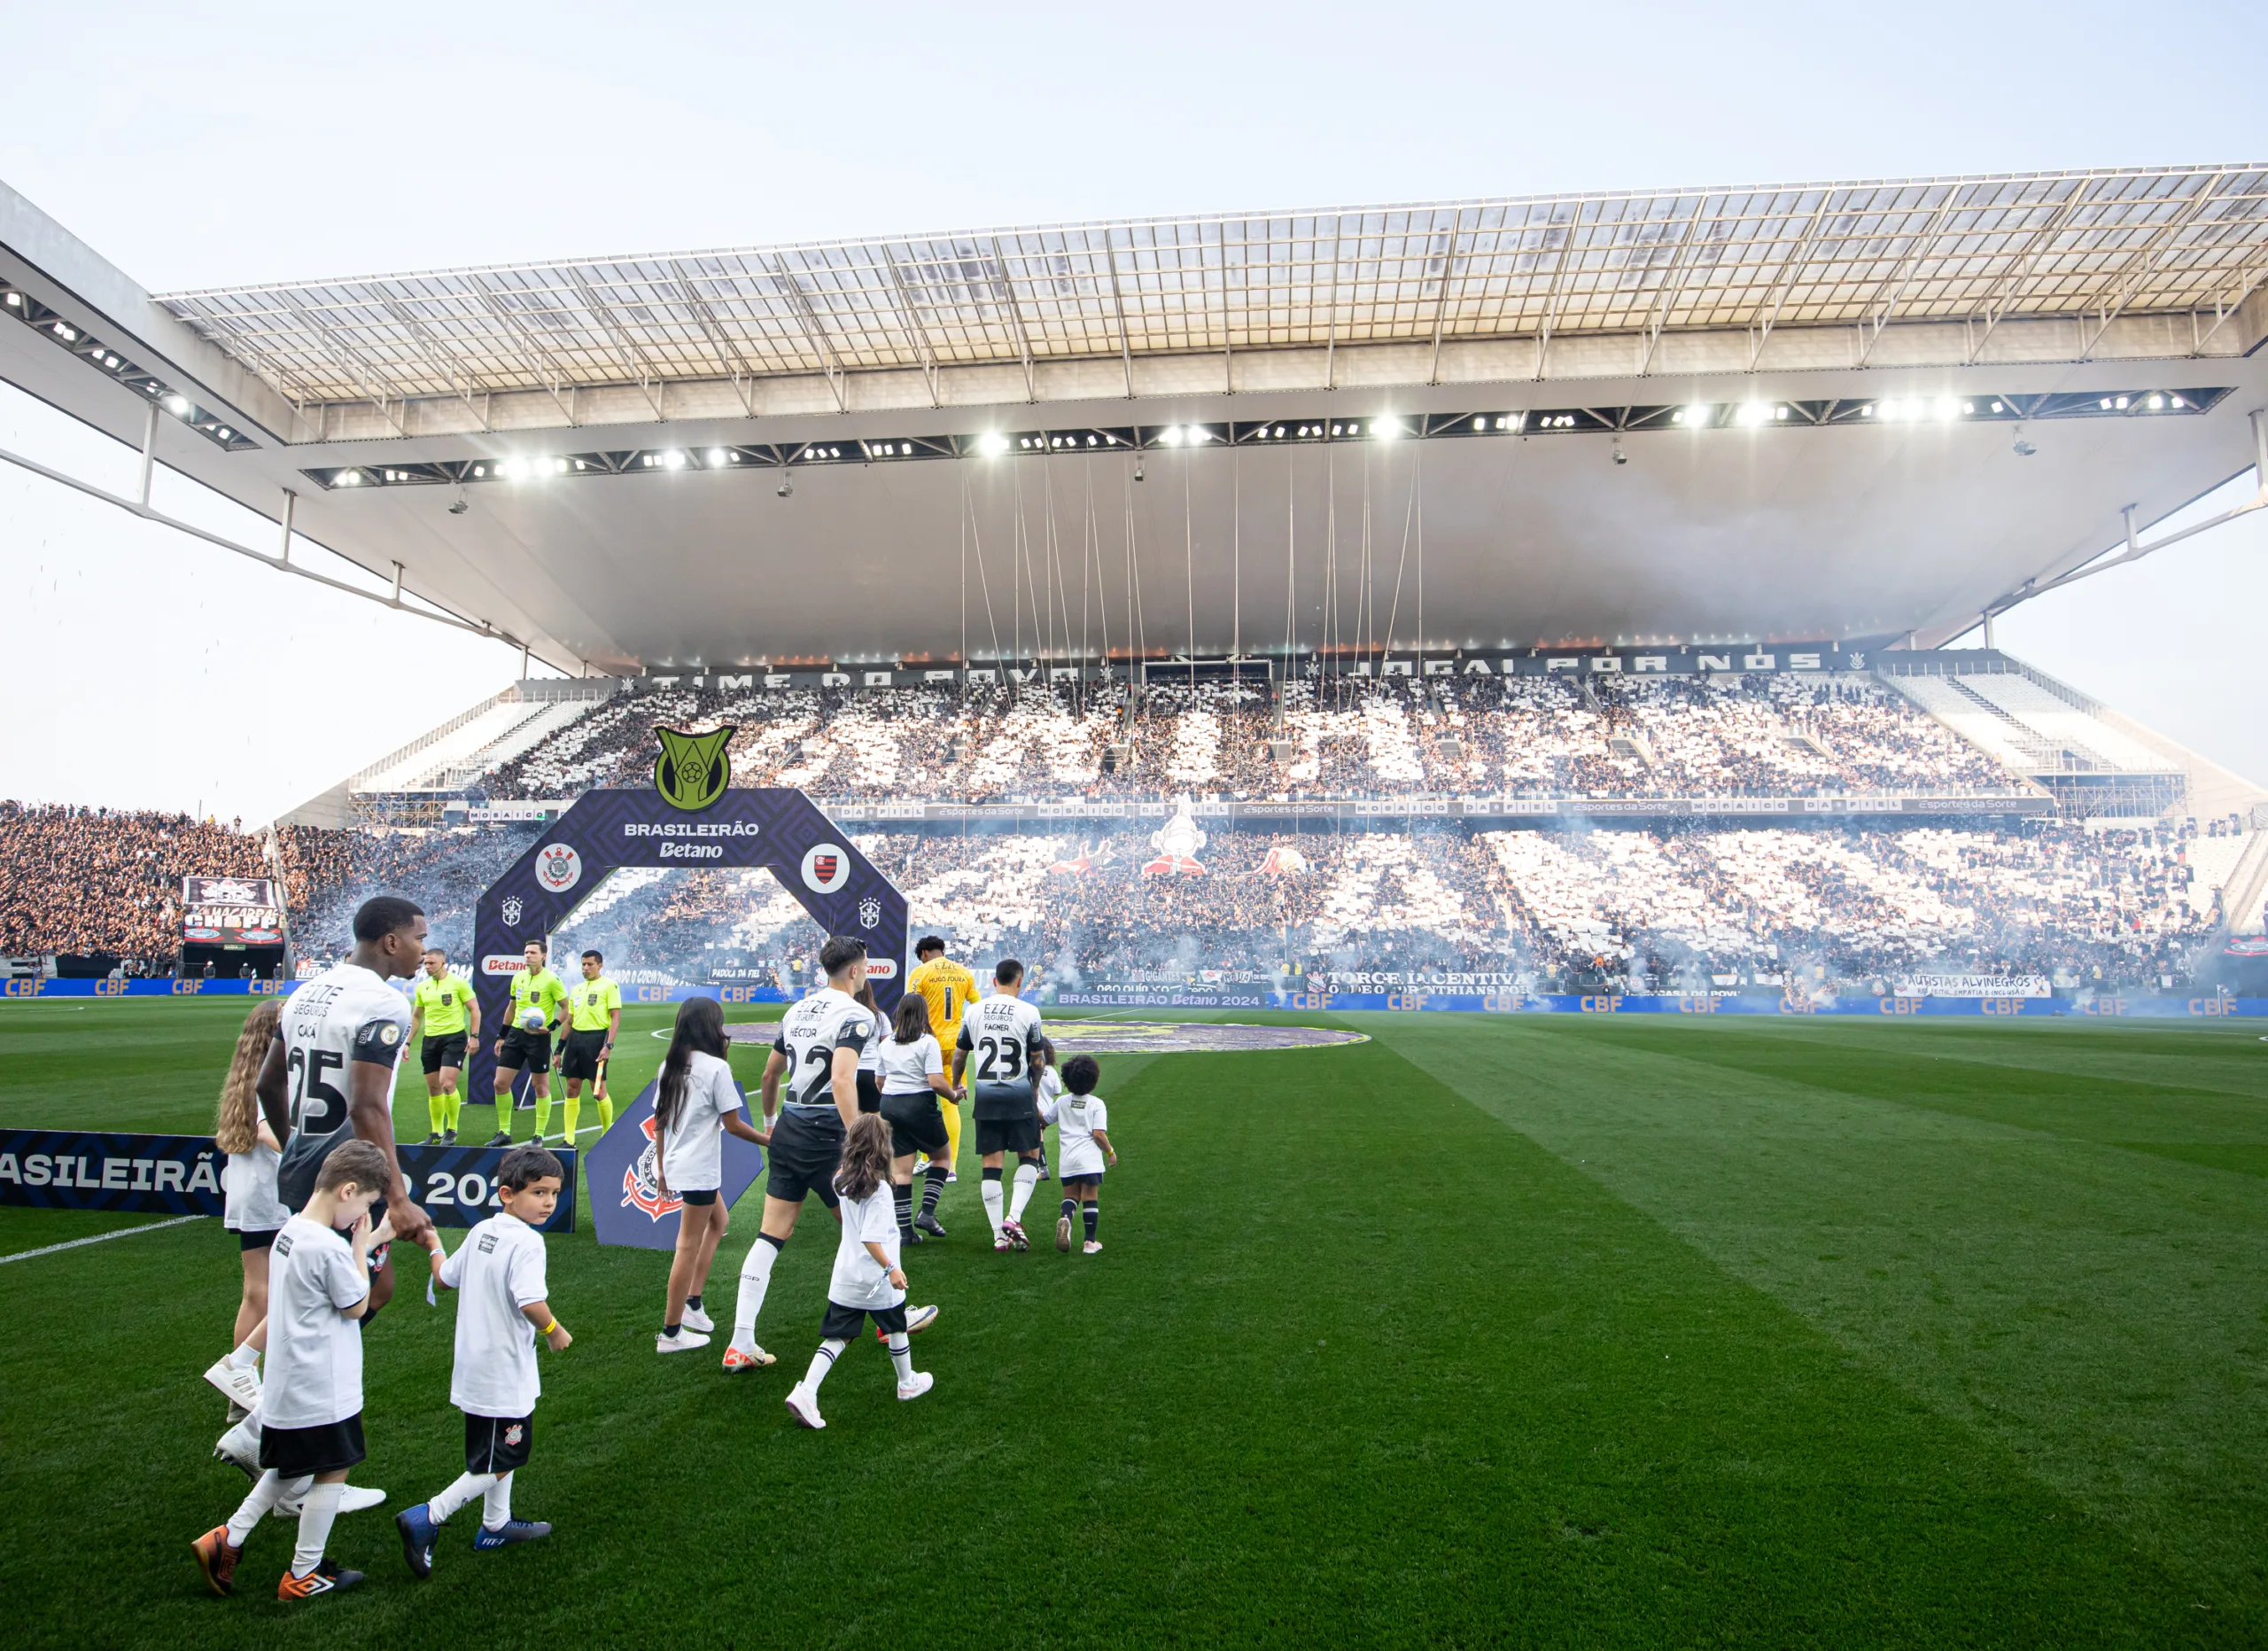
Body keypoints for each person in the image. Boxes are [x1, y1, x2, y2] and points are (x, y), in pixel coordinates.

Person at [191, 1139, 394, 1602]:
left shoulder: (290, 1230)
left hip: (290, 1381)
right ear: (347, 1191)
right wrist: (363, 1244)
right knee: (333, 1468)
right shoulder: (326, 1246)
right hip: (322, 1385)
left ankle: (229, 1537)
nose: (361, 1216)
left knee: (290, 1467)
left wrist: (366, 1239)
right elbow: (355, 1305)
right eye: (364, 1204)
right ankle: (303, 1572)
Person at [726, 937, 935, 1374]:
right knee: (868, 1226)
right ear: (857, 970)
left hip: (790, 1125)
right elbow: (841, 1080)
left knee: (771, 1234)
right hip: (827, 1133)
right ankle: (889, 1320)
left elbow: (770, 1073)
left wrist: (769, 1123)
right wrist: (860, 1134)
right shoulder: (858, 1014)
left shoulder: (797, 1009)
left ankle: (741, 1340)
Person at [394, 1145, 571, 1576]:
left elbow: (444, 1277)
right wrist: (554, 1332)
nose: (549, 1202)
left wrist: (434, 1243)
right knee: (503, 1457)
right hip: (502, 1371)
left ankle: (495, 1525)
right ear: (508, 1194)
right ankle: (428, 1516)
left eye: (554, 1193)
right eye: (539, 1193)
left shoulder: (481, 1231)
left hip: (475, 1368)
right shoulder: (528, 1242)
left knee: (494, 1454)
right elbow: (531, 1302)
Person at [781, 1113, 935, 1430]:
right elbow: (871, 1238)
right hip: (877, 1280)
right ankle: (907, 1383)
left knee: (839, 1336)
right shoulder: (879, 1190)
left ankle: (806, 1390)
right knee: (896, 1326)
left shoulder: (841, 1178)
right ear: (883, 1148)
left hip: (846, 1277)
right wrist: (892, 1268)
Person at [652, 997, 765, 1355]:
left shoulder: (670, 1065)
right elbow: (733, 1125)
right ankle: (671, 1333)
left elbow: (659, 1122)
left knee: (719, 1222)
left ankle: (693, 1304)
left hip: (678, 1163)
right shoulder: (715, 1067)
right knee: (687, 1245)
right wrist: (768, 1140)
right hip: (699, 1168)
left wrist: (661, 1169)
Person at [206, 999, 286, 1413]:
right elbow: (269, 1133)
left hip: (253, 1191)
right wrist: (312, 1154)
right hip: (269, 1194)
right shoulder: (268, 1077)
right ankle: (243, 1375)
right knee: (268, 1291)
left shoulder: (246, 1073)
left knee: (258, 1290)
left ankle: (241, 1388)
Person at [951, 958, 1049, 1252]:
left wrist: (957, 1083)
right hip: (1019, 1094)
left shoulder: (975, 1011)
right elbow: (1037, 1059)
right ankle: (1013, 1217)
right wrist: (1033, 1088)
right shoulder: (1029, 1012)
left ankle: (998, 1235)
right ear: (1019, 982)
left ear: (994, 981)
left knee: (990, 1166)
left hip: (986, 1096)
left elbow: (959, 1055)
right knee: (1029, 1156)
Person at [877, 993, 957, 1246]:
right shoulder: (927, 1042)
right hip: (919, 1103)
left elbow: (879, 1081)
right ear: (924, 1014)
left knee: (901, 1171)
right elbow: (935, 1081)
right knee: (942, 1157)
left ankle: (906, 1233)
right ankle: (927, 1212)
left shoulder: (886, 1043)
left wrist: (895, 1099)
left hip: (890, 1104)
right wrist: (954, 1095)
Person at [905, 936, 975, 1180]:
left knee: (922, 1101)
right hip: (957, 1046)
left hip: (928, 1044)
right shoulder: (964, 972)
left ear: (924, 953)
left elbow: (911, 1008)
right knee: (951, 1102)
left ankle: (927, 1159)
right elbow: (975, 1005)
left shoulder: (920, 972)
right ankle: (951, 1167)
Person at [488, 940, 567, 1148]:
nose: (528, 956)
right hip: (515, 1035)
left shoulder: (552, 980)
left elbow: (567, 1008)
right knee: (500, 1083)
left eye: (532, 952)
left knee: (540, 1087)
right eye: (526, 952)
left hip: (538, 1038)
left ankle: (538, 1135)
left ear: (543, 955)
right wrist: (501, 1035)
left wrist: (551, 1027)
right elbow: (511, 1008)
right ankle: (504, 1131)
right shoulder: (518, 978)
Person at [1042, 1054, 1116, 1255]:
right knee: (1090, 1198)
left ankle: (1066, 1218)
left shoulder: (1063, 1102)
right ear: (1093, 1081)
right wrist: (1110, 1152)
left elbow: (1045, 1121)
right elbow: (1098, 1134)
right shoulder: (1096, 1104)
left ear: (1067, 1081)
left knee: (1072, 1196)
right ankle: (1090, 1242)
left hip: (1068, 1160)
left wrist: (1033, 1101)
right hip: (1089, 1161)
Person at [409, 948, 478, 1145]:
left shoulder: (458, 983)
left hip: (454, 1038)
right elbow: (416, 1016)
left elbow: (475, 1009)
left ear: (443, 962)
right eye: (426, 964)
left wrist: (474, 1036)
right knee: (433, 1088)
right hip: (430, 1040)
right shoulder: (423, 987)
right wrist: (407, 1042)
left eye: (431, 963)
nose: (428, 967)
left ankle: (452, 1130)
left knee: (447, 1084)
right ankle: (436, 1132)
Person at [554, 948, 620, 1144]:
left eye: (590, 964)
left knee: (598, 1090)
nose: (585, 968)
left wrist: (608, 1045)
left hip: (597, 1040)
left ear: (600, 965)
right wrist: (559, 1049)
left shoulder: (609, 986)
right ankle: (569, 1139)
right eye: (583, 964)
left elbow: (615, 1017)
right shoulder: (577, 989)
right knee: (572, 1088)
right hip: (575, 1041)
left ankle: (607, 1134)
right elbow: (569, 1021)